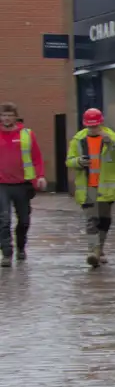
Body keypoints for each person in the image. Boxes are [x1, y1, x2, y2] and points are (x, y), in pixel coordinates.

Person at [66, 109, 115, 268]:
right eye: (90, 126)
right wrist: (79, 161)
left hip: (107, 188)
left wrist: (111, 143)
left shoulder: (113, 137)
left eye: (95, 126)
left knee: (104, 220)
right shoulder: (78, 139)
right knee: (92, 220)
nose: (93, 129)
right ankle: (93, 251)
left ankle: (99, 248)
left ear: (101, 122)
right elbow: (69, 161)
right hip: (88, 187)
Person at [0, 103, 47, 268]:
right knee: (4, 219)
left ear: (15, 116)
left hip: (22, 184)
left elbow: (37, 157)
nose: (6, 118)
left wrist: (40, 176)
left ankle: (21, 247)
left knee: (24, 220)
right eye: (3, 115)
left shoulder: (26, 134)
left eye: (9, 115)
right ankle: (6, 252)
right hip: (2, 185)